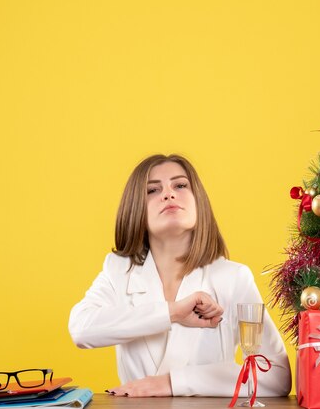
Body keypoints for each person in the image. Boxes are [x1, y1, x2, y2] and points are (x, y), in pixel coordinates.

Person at [68, 154, 291, 397]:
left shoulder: (233, 277)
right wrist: (172, 313)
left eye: (180, 185)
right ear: (136, 210)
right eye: (152, 190)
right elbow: (81, 329)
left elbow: (276, 376)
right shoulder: (119, 269)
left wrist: (173, 382)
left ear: (199, 201)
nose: (168, 194)